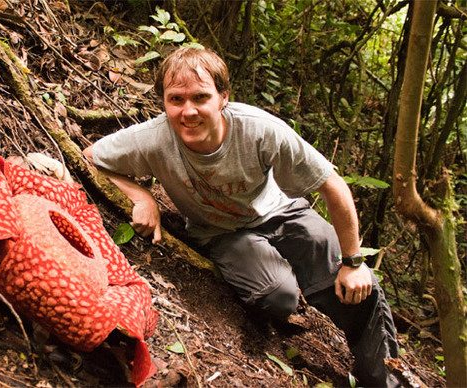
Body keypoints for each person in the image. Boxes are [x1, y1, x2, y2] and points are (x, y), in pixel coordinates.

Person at [83, 47, 399, 387]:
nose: (188, 111)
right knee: (277, 296)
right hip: (221, 232)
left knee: (350, 279)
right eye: (176, 99)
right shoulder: (154, 138)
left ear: (223, 98)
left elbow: (332, 185)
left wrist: (353, 261)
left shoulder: (259, 130)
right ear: (163, 101)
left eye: (200, 97)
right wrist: (142, 196)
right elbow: (90, 157)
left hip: (280, 211)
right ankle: (286, 296)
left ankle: (384, 378)